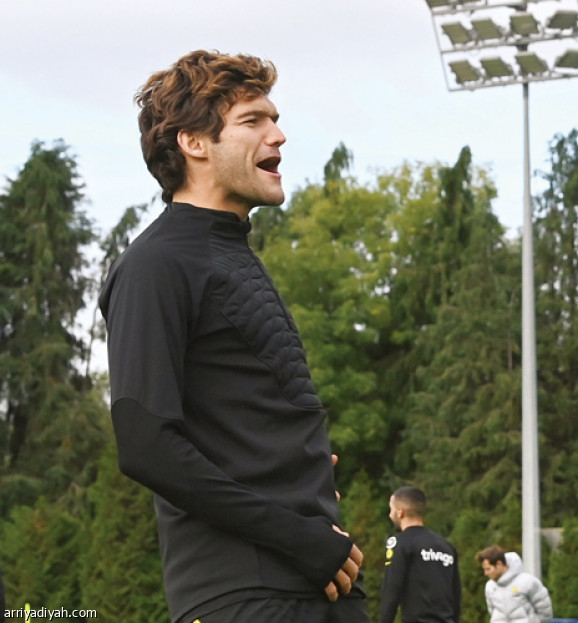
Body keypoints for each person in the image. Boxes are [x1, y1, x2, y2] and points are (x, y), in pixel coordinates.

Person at [98, 50, 369, 623]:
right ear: (194, 142)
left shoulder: (232, 252)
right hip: (245, 596)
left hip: (317, 580)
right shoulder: (155, 264)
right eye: (253, 120)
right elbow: (146, 445)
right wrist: (296, 534)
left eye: (274, 118)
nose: (279, 135)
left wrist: (299, 468)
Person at [379, 487, 461, 623]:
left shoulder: (400, 543)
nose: (389, 515)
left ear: (400, 512)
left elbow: (392, 589)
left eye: (391, 509)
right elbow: (456, 594)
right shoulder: (447, 547)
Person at [475, 546, 553, 623]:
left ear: (499, 564)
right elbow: (492, 611)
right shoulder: (490, 587)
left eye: (488, 569)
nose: (486, 573)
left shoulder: (528, 582)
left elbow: (545, 612)